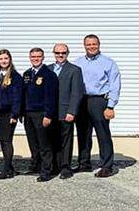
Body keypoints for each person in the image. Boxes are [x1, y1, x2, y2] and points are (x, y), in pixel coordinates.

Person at [73, 34, 121, 178]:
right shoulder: (78, 62)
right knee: (83, 133)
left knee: (103, 133)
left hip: (99, 101)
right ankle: (84, 163)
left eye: (94, 44)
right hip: (82, 101)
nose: (91, 47)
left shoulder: (108, 63)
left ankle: (106, 166)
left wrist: (111, 105)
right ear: (84, 46)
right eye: (88, 44)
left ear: (99, 45)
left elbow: (115, 85)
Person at [22, 47, 59, 182]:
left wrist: (48, 115)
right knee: (33, 142)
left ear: (43, 58)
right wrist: (22, 112)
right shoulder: (27, 74)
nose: (35, 59)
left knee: (44, 143)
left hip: (41, 113)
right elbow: (23, 94)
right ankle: (35, 165)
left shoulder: (49, 74)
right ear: (30, 58)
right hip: (28, 114)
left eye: (38, 56)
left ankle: (46, 170)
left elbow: (51, 97)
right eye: (33, 57)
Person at [51, 43, 84, 179]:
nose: (60, 55)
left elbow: (77, 93)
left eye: (63, 53)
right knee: (52, 140)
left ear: (67, 54)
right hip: (51, 112)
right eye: (57, 53)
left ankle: (65, 167)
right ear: (53, 54)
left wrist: (72, 111)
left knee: (66, 140)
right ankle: (54, 165)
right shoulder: (48, 69)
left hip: (66, 112)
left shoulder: (74, 70)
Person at [0, 49, 23, 180]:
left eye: (6, 58)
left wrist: (15, 114)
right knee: (2, 140)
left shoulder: (15, 76)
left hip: (9, 114)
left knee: (7, 141)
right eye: (1, 59)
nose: (3, 61)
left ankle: (6, 170)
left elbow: (17, 97)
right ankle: (9, 167)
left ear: (10, 60)